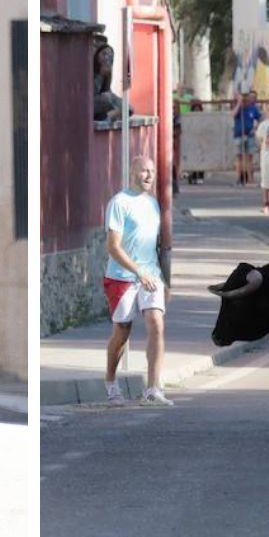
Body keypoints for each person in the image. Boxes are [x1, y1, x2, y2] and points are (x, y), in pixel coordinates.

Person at [102, 155, 173, 406]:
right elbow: (113, 247)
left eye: (152, 171)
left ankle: (153, 388)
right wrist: (137, 272)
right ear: (133, 172)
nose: (149, 176)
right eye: (144, 171)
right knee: (122, 331)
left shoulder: (153, 204)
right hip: (121, 277)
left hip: (150, 276)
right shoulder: (119, 203)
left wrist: (165, 280)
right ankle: (111, 383)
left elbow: (157, 247)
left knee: (156, 323)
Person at [232, 90, 261, 186]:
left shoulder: (253, 108)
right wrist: (239, 103)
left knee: (249, 157)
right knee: (239, 157)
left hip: (250, 135)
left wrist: (255, 128)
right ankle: (238, 179)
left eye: (246, 97)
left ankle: (250, 179)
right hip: (239, 135)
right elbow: (233, 115)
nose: (245, 99)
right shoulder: (238, 107)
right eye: (243, 97)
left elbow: (260, 119)